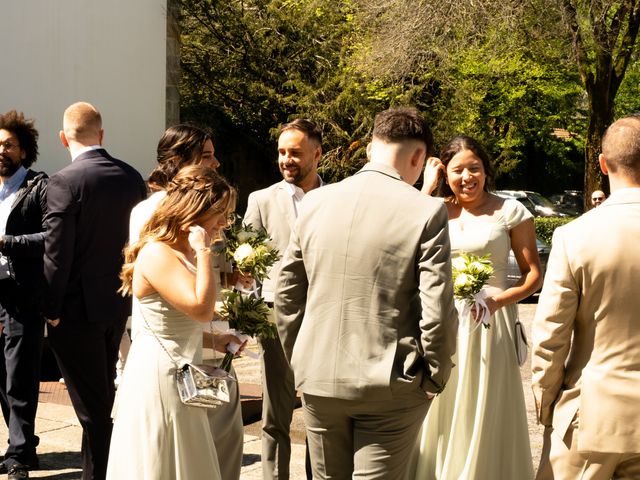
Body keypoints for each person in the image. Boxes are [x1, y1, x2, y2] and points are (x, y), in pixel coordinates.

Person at [275, 107, 458, 479]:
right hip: (389, 382)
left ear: (371, 148)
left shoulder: (314, 203)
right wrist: (435, 375)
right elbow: (436, 306)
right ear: (419, 156)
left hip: (319, 376)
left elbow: (286, 292)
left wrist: (301, 359)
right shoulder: (425, 211)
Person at [411, 135, 542, 480]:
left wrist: (499, 300)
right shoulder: (435, 208)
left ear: (486, 171)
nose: (467, 177)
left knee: (485, 404)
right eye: (458, 170)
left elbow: (533, 275)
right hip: (443, 320)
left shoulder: (511, 211)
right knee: (442, 402)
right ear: (445, 173)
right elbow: (402, 236)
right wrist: (426, 188)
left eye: (475, 169)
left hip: (491, 322)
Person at [106, 164, 238, 479]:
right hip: (161, 378)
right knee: (163, 460)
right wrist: (204, 251)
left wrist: (213, 341)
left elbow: (173, 324)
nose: (224, 223)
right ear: (192, 213)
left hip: (179, 370)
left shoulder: (180, 255)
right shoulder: (157, 254)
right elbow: (200, 309)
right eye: (219, 213)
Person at [532, 115, 640, 479]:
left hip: (592, 412)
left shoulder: (575, 235)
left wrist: (547, 403)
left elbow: (550, 335)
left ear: (603, 164)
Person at [42, 102, 146, 480]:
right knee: (101, 401)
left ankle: (103, 474)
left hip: (74, 312)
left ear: (63, 137)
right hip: (117, 304)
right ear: (102, 135)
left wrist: (50, 308)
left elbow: (57, 254)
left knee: (93, 411)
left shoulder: (64, 181)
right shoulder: (132, 177)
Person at [243, 118, 323, 479]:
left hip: (323, 313)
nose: (286, 160)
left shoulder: (335, 198)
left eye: (295, 153)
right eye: (281, 152)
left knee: (321, 410)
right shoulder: (260, 200)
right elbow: (244, 255)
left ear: (317, 154)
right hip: (275, 314)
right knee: (276, 412)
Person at [0, 111, 48, 480]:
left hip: (22, 294)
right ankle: (21, 447)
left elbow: (53, 239)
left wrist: (8, 243)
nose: (1, 150)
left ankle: (19, 452)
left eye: (8, 145)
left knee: (20, 376)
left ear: (23, 150)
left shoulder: (38, 187)